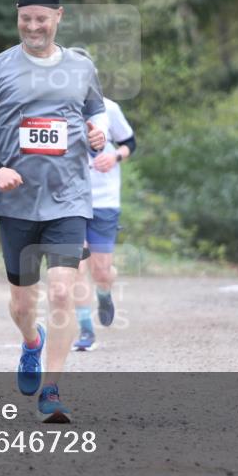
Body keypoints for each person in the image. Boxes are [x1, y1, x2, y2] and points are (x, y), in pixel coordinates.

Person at [0, 0, 108, 423]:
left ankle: (52, 391)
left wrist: (98, 132)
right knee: (24, 304)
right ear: (18, 18)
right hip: (15, 203)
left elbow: (95, 110)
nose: (33, 27)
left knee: (61, 292)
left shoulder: (80, 66)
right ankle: (31, 342)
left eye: (42, 18)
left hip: (69, 199)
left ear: (59, 17)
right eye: (26, 19)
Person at [73, 96, 136, 351]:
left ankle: (104, 293)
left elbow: (129, 142)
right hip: (70, 201)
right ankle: (86, 330)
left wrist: (115, 157)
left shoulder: (109, 108)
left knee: (101, 271)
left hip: (104, 201)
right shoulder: (54, 108)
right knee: (76, 266)